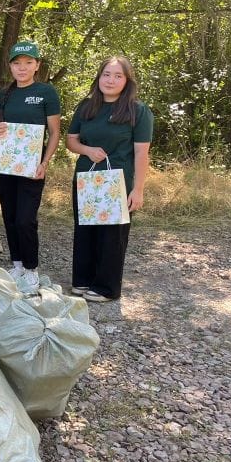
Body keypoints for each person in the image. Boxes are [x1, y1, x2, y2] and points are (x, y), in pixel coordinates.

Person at [66, 56, 153, 302]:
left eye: (118, 76)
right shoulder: (86, 106)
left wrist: (138, 189)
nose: (111, 80)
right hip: (87, 179)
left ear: (127, 80)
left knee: (112, 236)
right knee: (85, 231)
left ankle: (106, 288)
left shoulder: (138, 111)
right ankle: (82, 281)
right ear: (99, 77)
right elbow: (71, 141)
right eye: (106, 74)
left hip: (118, 182)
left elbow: (141, 152)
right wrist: (87, 150)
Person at [0, 41, 61, 290]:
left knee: (25, 219)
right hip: (7, 165)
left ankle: (32, 268)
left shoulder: (46, 92)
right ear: (10, 66)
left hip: (33, 167)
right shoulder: (4, 94)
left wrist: (45, 162)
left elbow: (54, 132)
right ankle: (18, 264)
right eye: (17, 63)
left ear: (37, 66)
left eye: (28, 63)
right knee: (10, 216)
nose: (22, 68)